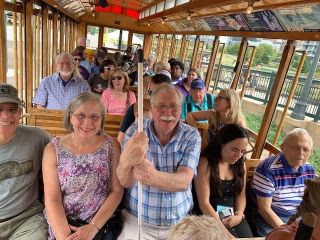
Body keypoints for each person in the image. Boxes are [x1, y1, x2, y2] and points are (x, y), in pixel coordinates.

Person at [116, 83, 201, 240]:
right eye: (161, 106)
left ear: (181, 110)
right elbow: (125, 180)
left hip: (180, 224)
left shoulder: (191, 135)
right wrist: (128, 161)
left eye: (174, 107)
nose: (167, 113)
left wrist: (151, 176)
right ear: (152, 109)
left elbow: (183, 182)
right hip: (137, 221)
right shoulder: (136, 131)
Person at [42, 92, 123, 240]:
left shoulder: (112, 146)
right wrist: (64, 236)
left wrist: (92, 228)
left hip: (101, 223)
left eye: (94, 117)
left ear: (101, 120)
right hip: (65, 223)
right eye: (81, 116)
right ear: (70, 117)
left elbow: (116, 191)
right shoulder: (53, 149)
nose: (87, 123)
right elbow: (52, 199)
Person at [0, 84, 51, 240]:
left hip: (26, 219)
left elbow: (67, 157)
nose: (6, 116)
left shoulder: (38, 137)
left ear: (20, 113)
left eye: (12, 109)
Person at [248, 128, 316, 236]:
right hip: (267, 217)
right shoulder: (267, 169)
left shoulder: (309, 169)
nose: (301, 153)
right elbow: (264, 209)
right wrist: (287, 232)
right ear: (282, 147)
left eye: (306, 149)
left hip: (296, 217)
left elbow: (309, 202)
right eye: (295, 148)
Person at [194, 124, 253, 239]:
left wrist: (239, 215)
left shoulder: (240, 164)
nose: (238, 156)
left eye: (243, 151)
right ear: (221, 144)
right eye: (234, 150)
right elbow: (204, 203)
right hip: (208, 216)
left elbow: (241, 195)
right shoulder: (206, 163)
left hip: (232, 215)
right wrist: (225, 233)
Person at [117, 73, 171, 143]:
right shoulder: (136, 108)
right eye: (151, 92)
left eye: (160, 93)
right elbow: (121, 138)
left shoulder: (172, 113)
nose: (154, 97)